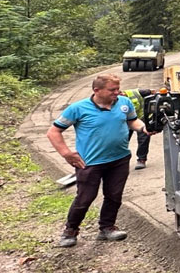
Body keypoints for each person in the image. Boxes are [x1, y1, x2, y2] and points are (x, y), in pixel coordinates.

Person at [46, 73, 146, 247]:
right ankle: (70, 230)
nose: (117, 93)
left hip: (119, 158)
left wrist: (143, 127)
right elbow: (53, 132)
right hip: (90, 162)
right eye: (112, 90)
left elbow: (132, 121)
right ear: (97, 90)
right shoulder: (77, 108)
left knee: (114, 195)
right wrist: (67, 153)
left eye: (117, 89)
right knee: (85, 197)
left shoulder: (124, 103)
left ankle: (107, 228)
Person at [124, 87, 153, 170]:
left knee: (143, 139)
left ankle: (141, 160)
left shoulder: (139, 92)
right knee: (123, 139)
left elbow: (152, 92)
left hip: (141, 117)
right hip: (126, 121)